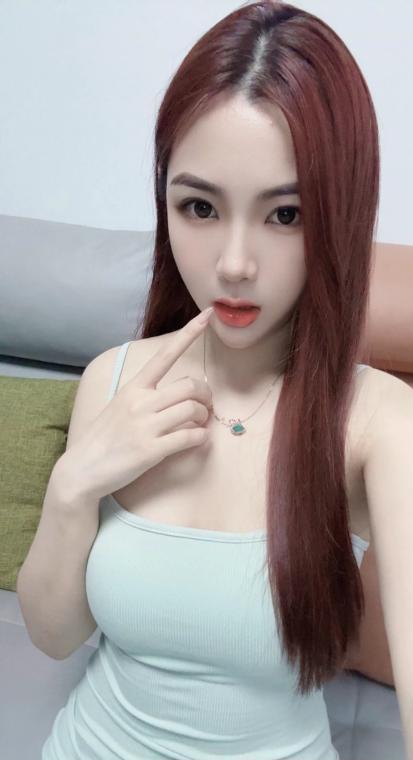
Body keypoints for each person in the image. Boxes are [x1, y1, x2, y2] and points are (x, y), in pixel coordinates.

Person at [19, 1, 389, 757]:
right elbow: (55, 636)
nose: (233, 264)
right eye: (199, 207)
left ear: (340, 214)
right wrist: (73, 486)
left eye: (285, 215)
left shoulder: (376, 424)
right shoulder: (112, 380)